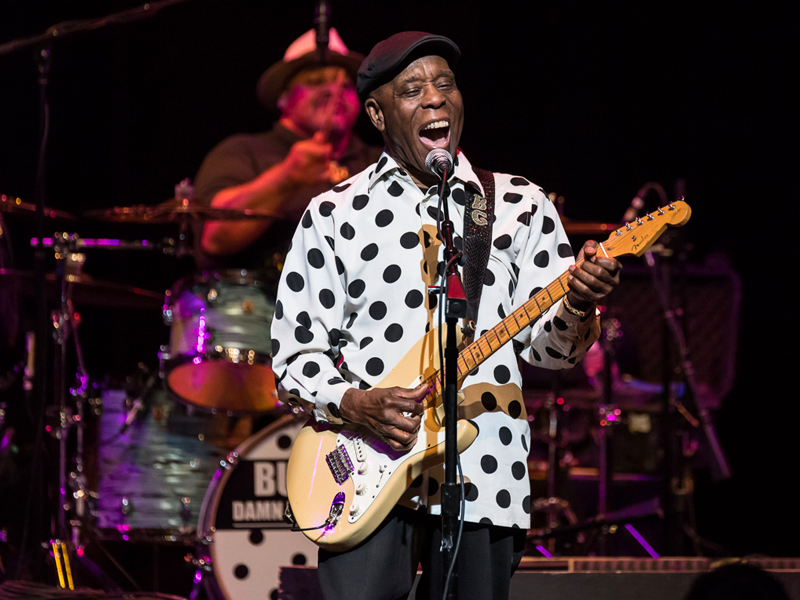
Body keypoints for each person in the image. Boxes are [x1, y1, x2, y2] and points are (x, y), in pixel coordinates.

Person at [270, 32, 621, 600]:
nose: (435, 99)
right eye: (412, 90)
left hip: (485, 475)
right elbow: (293, 360)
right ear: (379, 114)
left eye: (445, 84)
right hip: (364, 472)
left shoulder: (518, 204)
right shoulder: (333, 213)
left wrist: (579, 302)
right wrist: (358, 404)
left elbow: (552, 353)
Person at [193, 28, 381, 271]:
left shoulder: (381, 161)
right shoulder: (243, 151)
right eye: (314, 82)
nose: (330, 90)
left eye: (344, 85)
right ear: (283, 97)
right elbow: (215, 238)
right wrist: (287, 177)